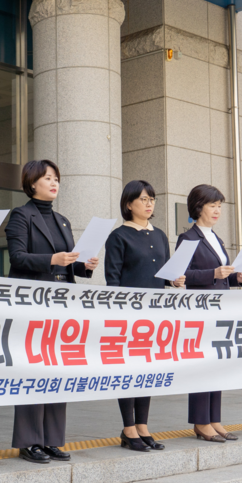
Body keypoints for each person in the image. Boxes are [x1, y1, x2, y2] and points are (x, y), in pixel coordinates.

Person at [5, 159, 99, 463]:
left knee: (59, 367)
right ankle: (29, 440)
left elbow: (67, 261)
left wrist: (84, 266)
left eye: (56, 178)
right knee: (33, 369)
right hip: (34, 302)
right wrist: (52, 260)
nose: (54, 183)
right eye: (48, 178)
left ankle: (52, 439)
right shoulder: (21, 215)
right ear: (32, 183)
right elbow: (18, 258)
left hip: (63, 303)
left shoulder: (62, 220)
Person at [104, 180, 185, 452]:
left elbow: (165, 273)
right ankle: (128, 428)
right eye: (143, 199)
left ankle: (143, 426)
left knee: (147, 369)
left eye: (152, 199)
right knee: (127, 369)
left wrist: (173, 281)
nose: (149, 204)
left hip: (155, 314)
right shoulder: (118, 236)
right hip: (127, 315)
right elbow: (112, 281)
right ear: (129, 204)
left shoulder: (160, 235)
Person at [177, 184, 242, 443]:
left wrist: (237, 279)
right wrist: (212, 274)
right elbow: (180, 276)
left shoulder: (216, 238)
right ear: (199, 207)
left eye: (220, 205)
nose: (218, 210)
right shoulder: (188, 238)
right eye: (212, 205)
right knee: (203, 366)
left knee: (217, 364)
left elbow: (223, 278)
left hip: (221, 308)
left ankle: (214, 418)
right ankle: (200, 421)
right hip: (201, 311)